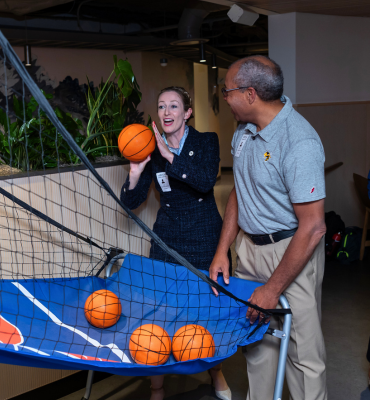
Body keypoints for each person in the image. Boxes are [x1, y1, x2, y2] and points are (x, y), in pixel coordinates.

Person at [209, 55, 327, 400]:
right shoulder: (243, 130)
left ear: (249, 94)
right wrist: (223, 251)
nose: (224, 97)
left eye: (227, 91)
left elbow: (314, 227)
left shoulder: (299, 142)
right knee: (258, 346)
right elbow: (239, 191)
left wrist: (272, 289)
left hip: (291, 250)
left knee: (303, 355)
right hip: (249, 250)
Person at [120, 86, 231, 400]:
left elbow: (206, 179)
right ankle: (157, 388)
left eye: (174, 106)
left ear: (187, 113)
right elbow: (131, 202)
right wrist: (135, 170)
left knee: (205, 313)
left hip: (205, 237)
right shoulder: (148, 148)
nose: (166, 113)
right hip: (166, 240)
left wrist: (169, 156)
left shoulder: (205, 140)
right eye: (161, 107)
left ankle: (217, 373)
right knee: (161, 312)